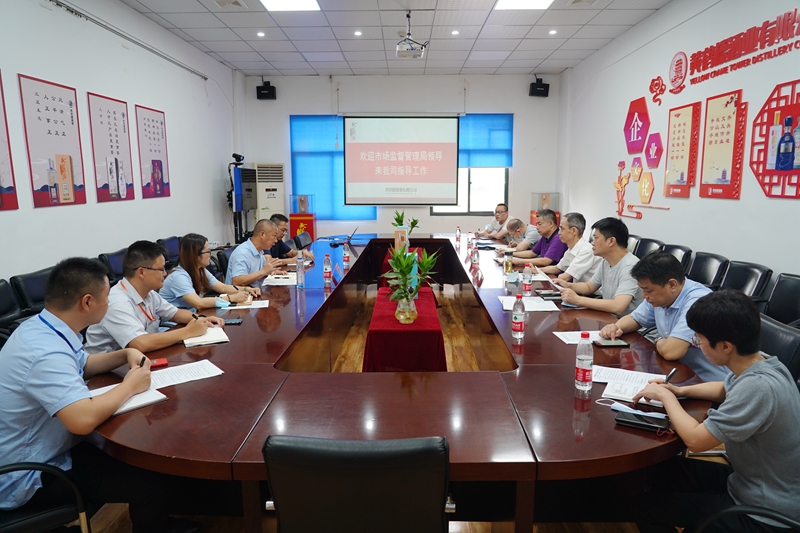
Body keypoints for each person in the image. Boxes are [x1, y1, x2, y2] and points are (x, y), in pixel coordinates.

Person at [0, 257, 215, 533]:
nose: (109, 302)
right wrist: (130, 386)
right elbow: (82, 420)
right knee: (147, 482)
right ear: (87, 302)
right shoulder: (44, 352)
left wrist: (124, 354)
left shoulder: (45, 327)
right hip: (29, 475)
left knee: (141, 456)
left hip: (49, 447)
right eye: (106, 297)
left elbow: (84, 364)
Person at [631, 290, 800, 533]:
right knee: (664, 471)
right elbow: (725, 388)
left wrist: (667, 398)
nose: (697, 345)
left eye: (698, 340)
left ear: (725, 346)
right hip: (749, 480)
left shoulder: (758, 387)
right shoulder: (764, 363)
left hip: (765, 510)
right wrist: (678, 391)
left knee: (644, 507)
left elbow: (696, 440)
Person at [600, 252, 730, 382]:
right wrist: (615, 328)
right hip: (676, 374)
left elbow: (671, 352)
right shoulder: (660, 296)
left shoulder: (697, 302)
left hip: (709, 383)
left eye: (648, 291)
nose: (643, 296)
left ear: (672, 284)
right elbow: (635, 319)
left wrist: (658, 340)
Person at [85, 240, 223, 354]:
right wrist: (188, 331)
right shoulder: (116, 302)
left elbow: (176, 313)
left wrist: (201, 319)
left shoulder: (149, 294)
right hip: (106, 373)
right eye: (161, 269)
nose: (165, 274)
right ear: (141, 272)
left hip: (138, 360)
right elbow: (140, 343)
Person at [554, 217, 642, 316]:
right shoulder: (606, 262)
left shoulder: (630, 266)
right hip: (610, 318)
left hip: (626, 323)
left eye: (596, 238)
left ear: (611, 241)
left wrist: (577, 300)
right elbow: (589, 287)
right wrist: (567, 285)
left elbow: (618, 307)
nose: (592, 242)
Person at [160, 233, 260, 313]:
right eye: (207, 252)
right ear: (195, 255)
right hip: (174, 325)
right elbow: (198, 303)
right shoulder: (179, 276)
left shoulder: (200, 270)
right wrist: (231, 298)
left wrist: (247, 289)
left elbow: (223, 288)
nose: (210, 255)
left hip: (192, 317)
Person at [539, 212, 601, 283]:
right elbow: (557, 268)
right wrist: (536, 270)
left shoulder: (586, 250)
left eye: (562, 229)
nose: (559, 233)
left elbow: (565, 277)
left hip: (588, 290)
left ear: (573, 231)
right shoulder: (571, 249)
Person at [225, 218, 282, 288]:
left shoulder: (259, 250)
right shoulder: (242, 253)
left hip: (254, 290)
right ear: (262, 234)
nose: (276, 240)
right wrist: (263, 272)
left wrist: (271, 271)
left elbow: (261, 271)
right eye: (274, 236)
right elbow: (236, 281)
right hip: (241, 293)